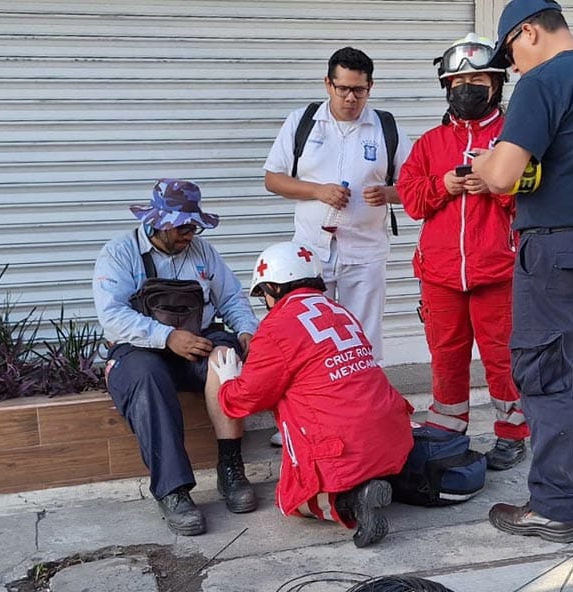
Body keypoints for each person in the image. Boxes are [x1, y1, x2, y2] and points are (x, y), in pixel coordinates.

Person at [472, 0, 573, 543]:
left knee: (544, 377)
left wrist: (481, 162)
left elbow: (504, 175)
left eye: (511, 51)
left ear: (529, 32)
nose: (513, 66)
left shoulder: (544, 81)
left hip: (556, 250)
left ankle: (552, 507)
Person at [213, 241, 414, 548]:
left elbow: (246, 399)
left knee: (292, 501)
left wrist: (227, 384)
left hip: (341, 446)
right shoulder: (339, 311)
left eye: (263, 293)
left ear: (273, 288)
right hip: (392, 434)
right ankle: (373, 483)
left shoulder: (276, 327)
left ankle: (354, 502)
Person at [93, 179, 260, 536]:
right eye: (183, 225)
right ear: (158, 222)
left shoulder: (202, 252)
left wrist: (246, 330)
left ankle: (231, 468)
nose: (190, 233)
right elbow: (112, 315)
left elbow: (231, 298)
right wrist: (167, 337)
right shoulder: (119, 253)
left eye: (193, 225)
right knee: (147, 378)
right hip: (138, 348)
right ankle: (173, 491)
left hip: (196, 339)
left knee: (226, 359)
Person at [397, 33, 530, 470]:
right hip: (439, 275)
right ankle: (446, 431)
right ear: (447, 87)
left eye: (477, 79)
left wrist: (494, 184)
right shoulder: (430, 143)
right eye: (458, 81)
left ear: (496, 83)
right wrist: (444, 186)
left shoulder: (515, 137)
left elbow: (532, 198)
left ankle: (513, 433)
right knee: (447, 357)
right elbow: (412, 199)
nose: (467, 88)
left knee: (502, 358)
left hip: (498, 270)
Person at [262, 46, 412, 368]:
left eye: (359, 90)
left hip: (366, 253)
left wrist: (387, 193)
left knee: (365, 338)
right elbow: (273, 180)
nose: (350, 98)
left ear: (370, 88)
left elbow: (414, 187)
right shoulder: (302, 122)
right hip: (310, 254)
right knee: (311, 335)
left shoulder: (386, 127)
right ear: (328, 84)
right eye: (342, 88)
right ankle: (317, 402)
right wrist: (317, 191)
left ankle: (366, 405)